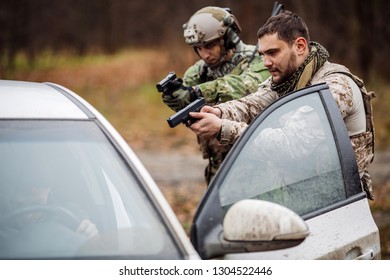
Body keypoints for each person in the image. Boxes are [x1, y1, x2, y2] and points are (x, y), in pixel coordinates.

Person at [188, 10, 375, 199]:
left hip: (341, 203)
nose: (266, 62)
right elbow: (251, 104)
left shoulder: (335, 88)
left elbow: (290, 146)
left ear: (300, 46)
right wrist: (219, 112)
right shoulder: (288, 80)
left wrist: (222, 128)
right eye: (262, 54)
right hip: (303, 200)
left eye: (272, 53)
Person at [161, 6, 270, 183]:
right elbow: (186, 97)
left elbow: (248, 85)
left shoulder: (259, 58)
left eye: (210, 45)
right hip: (219, 169)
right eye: (198, 48)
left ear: (228, 38)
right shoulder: (200, 71)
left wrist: (199, 91)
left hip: (259, 167)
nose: (205, 54)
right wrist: (175, 97)